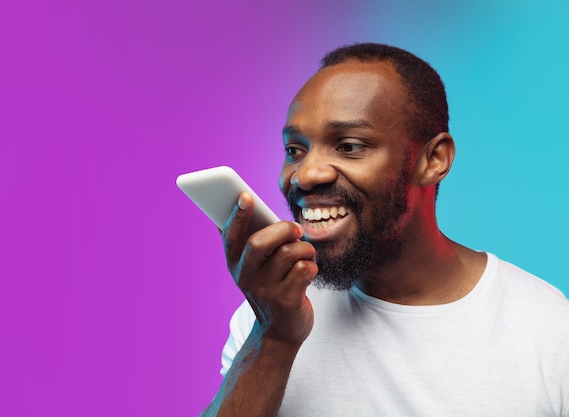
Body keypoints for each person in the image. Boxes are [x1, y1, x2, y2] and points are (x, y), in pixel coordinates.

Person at [201, 43, 569, 416]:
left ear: (434, 160)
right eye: (295, 149)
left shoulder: (548, 334)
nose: (306, 174)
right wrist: (274, 333)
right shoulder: (271, 313)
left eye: (348, 146)